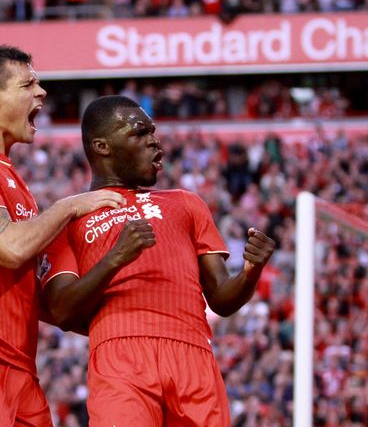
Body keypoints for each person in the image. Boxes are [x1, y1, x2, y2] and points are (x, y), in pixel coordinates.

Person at [0, 45, 126, 426]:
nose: (42, 92)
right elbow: (10, 248)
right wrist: (69, 206)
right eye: (29, 84)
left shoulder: (15, 182)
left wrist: (108, 323)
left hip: (17, 360)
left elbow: (34, 293)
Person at [39, 95, 276, 426]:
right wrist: (115, 259)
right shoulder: (68, 217)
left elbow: (221, 298)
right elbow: (61, 309)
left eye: (153, 132)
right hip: (120, 356)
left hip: (193, 353)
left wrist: (250, 272)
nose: (155, 142)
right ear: (102, 146)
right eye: (140, 132)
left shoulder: (186, 203)